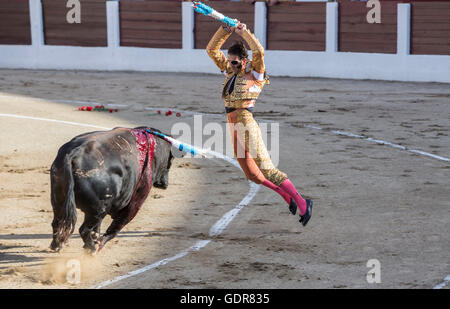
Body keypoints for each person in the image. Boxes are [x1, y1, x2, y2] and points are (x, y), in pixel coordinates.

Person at [206, 21, 313, 226]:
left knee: (267, 168)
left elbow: (259, 51)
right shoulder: (230, 70)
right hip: (231, 122)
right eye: (230, 61)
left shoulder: (256, 74)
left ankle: (302, 202)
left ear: (245, 61)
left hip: (246, 120)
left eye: (235, 62)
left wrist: (244, 32)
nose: (231, 65)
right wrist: (225, 30)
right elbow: (211, 49)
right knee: (251, 173)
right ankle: (286, 196)